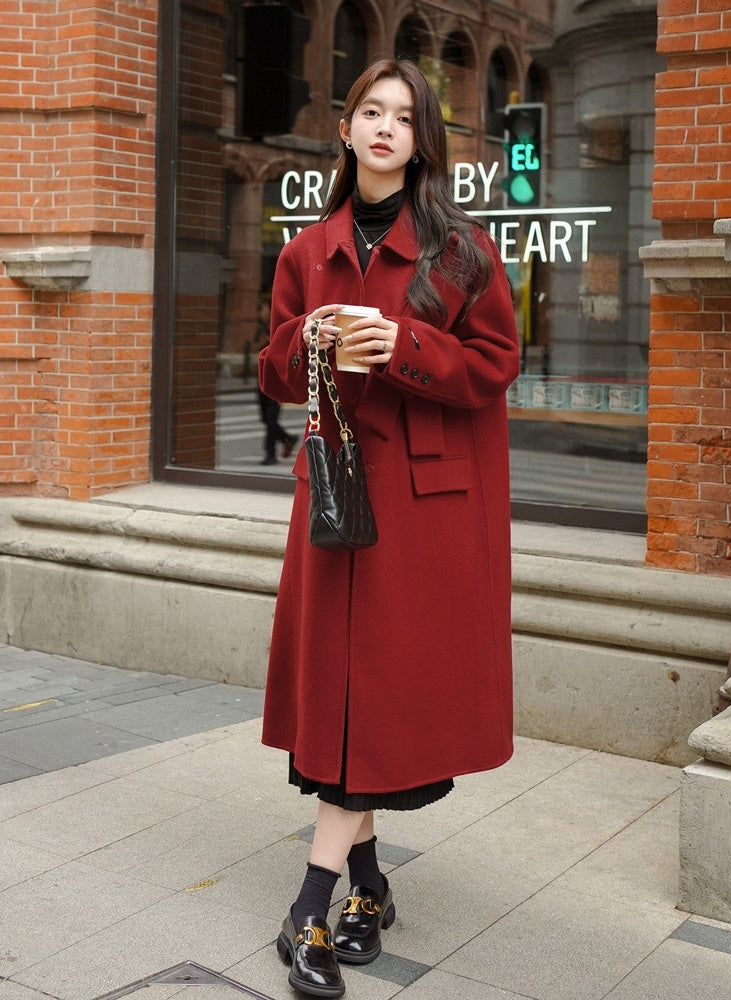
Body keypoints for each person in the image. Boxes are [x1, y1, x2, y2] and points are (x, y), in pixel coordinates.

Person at [258, 58, 519, 999]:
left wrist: (403, 344)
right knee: (341, 702)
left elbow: (497, 364)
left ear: (421, 142)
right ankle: (364, 889)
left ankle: (310, 907)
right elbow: (275, 370)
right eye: (370, 111)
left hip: (419, 510)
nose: (383, 129)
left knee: (376, 700)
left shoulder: (459, 251)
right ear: (346, 128)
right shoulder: (305, 249)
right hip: (335, 497)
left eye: (402, 118)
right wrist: (311, 341)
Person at [256, 299, 298, 464]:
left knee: (271, 418)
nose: (261, 312)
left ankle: (270, 453)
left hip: (276, 373)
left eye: (264, 308)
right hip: (261, 374)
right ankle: (287, 438)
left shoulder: (279, 324)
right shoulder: (261, 327)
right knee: (266, 418)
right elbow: (257, 347)